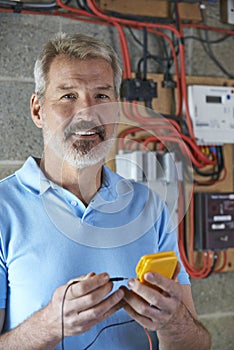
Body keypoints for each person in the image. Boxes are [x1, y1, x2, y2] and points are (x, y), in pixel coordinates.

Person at [0, 32, 211, 350]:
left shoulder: (149, 207)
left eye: (101, 96)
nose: (88, 112)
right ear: (37, 110)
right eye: (69, 96)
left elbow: (197, 345)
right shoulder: (4, 209)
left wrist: (173, 320)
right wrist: (49, 324)